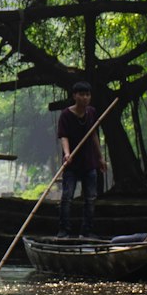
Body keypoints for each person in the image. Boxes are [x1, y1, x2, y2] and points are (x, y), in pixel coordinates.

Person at [56, 81, 107, 237]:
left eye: (87, 95)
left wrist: (100, 158)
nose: (85, 98)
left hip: (89, 161)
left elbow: (93, 135)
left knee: (90, 198)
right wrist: (67, 153)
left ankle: (87, 231)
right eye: (82, 94)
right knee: (67, 197)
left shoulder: (92, 112)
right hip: (71, 162)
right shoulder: (66, 114)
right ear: (75, 96)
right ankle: (64, 230)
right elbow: (63, 136)